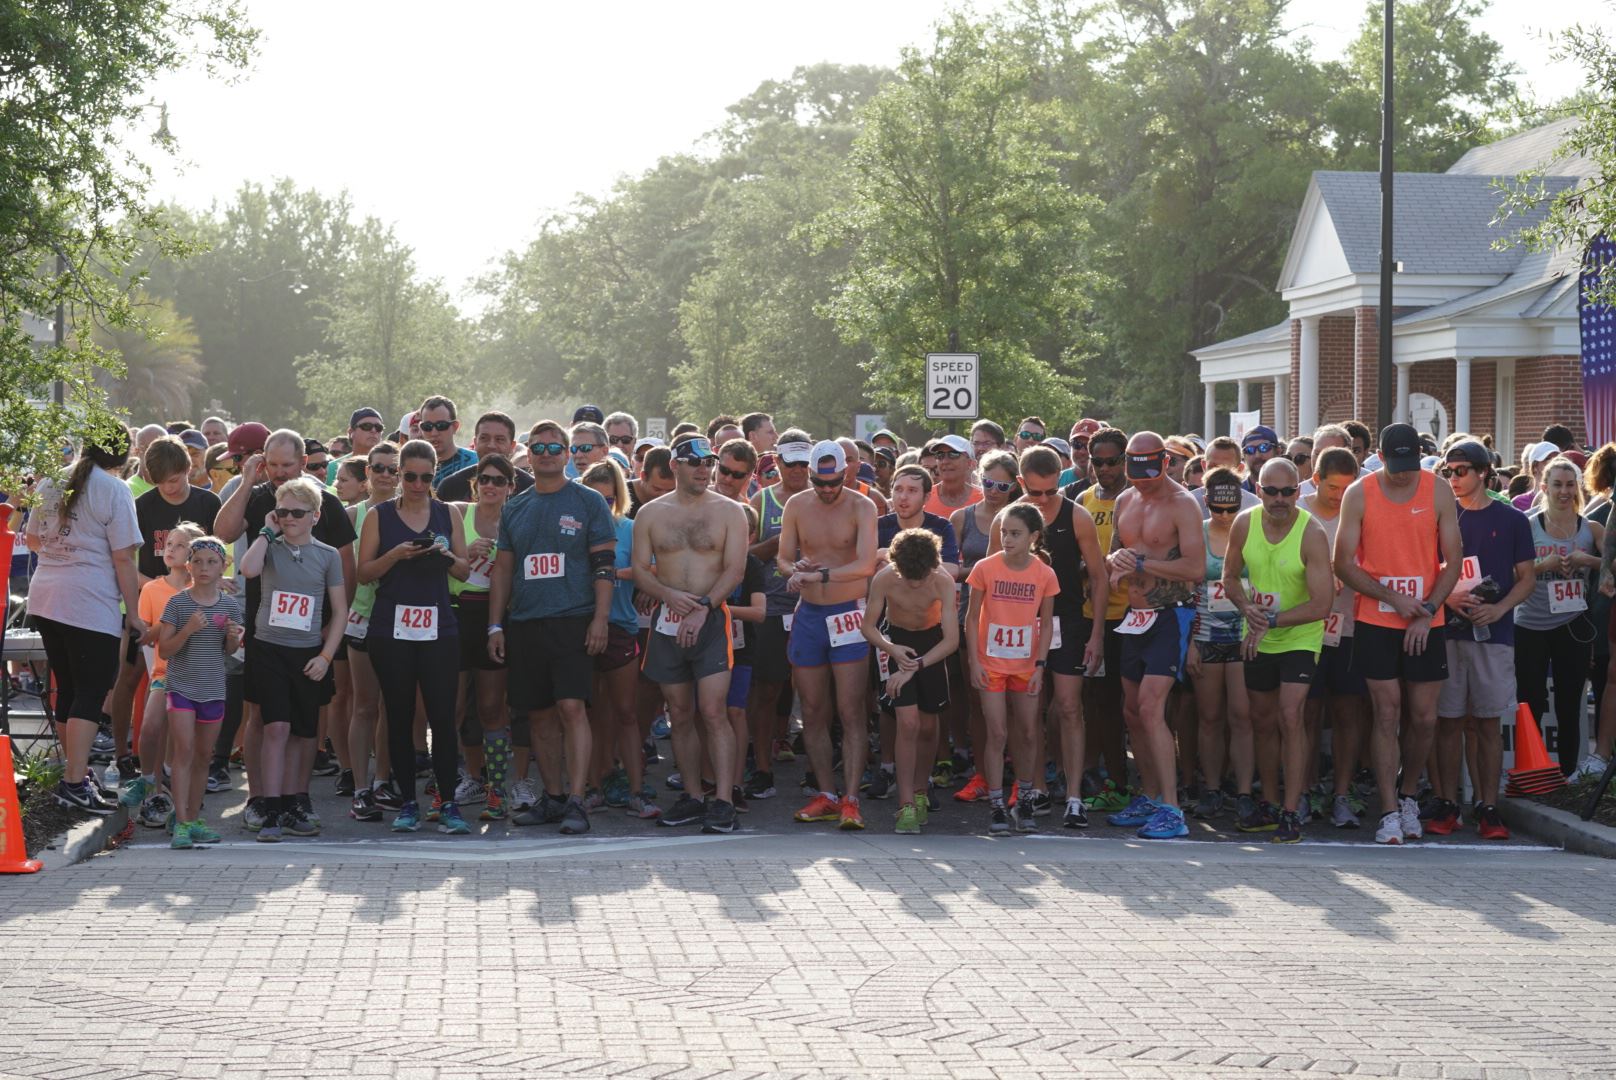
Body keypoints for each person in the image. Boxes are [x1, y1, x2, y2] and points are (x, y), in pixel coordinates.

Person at [215, 429, 357, 833]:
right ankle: (260, 798)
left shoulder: (323, 504)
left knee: (305, 720)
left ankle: (298, 798)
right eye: (272, 465)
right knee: (264, 716)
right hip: (265, 629)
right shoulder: (261, 498)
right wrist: (246, 482)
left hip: (313, 633)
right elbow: (223, 533)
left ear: (304, 462)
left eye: (287, 466)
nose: (279, 474)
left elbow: (344, 568)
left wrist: (332, 630)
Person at [1334, 423, 1463, 845]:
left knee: (1425, 717)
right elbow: (1343, 564)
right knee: (1386, 712)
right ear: (1382, 458)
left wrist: (1426, 611)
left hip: (1426, 617)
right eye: (1397, 465)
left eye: (1411, 465)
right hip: (1377, 618)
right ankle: (1388, 810)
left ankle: (1409, 796)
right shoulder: (1360, 493)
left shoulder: (1438, 489)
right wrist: (1391, 595)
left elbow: (1453, 560)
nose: (1405, 474)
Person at [487, 420, 618, 835]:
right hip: (525, 622)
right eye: (538, 449)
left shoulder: (589, 502)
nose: (546, 455)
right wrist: (495, 625)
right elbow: (503, 570)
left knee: (572, 707)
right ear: (528, 454)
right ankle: (554, 797)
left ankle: (578, 800)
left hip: (573, 620)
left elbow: (604, 566)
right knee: (539, 715)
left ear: (567, 453)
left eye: (554, 448)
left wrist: (600, 618)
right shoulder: (515, 506)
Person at [633, 434, 750, 834]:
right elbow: (640, 570)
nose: (705, 469)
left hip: (711, 619)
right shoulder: (650, 513)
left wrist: (702, 608)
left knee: (714, 711)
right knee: (679, 713)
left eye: (709, 462)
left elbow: (734, 570)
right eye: (696, 462)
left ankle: (723, 800)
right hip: (668, 621)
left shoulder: (730, 511)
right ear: (675, 466)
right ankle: (693, 795)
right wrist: (667, 595)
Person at [989, 446, 1109, 828]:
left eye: (1051, 492)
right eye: (1035, 493)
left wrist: (1097, 634)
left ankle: (1074, 796)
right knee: (1029, 713)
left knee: (1071, 708)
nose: (1043, 500)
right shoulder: (1007, 520)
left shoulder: (1078, 516)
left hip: (1069, 622)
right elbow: (991, 577)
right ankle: (1035, 789)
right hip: (1021, 627)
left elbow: (1099, 576)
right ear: (1021, 483)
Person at [28, 431, 144, 814]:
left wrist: (61, 548)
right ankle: (74, 782)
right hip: (89, 601)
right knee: (91, 692)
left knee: (72, 687)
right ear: (123, 454)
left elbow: (31, 538)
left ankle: (73, 777)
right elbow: (123, 557)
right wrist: (135, 612)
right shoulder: (114, 489)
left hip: (46, 595)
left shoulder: (50, 480)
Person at [1221, 458, 1333, 843]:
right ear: (1259, 488)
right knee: (1263, 720)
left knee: (1290, 715)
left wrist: (1270, 620)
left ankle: (1291, 810)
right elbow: (1230, 577)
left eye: (1288, 491)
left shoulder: (1312, 533)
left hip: (1299, 635)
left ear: (1299, 492)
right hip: (1258, 635)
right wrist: (1247, 608)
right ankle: (1269, 803)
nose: (1280, 499)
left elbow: (1322, 604)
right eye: (1271, 491)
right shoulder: (1244, 522)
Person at [1103, 432, 1206, 840]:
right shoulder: (1125, 500)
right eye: (1135, 471)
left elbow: (1196, 569)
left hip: (1171, 615)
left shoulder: (1183, 504)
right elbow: (1114, 557)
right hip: (1135, 615)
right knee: (1132, 710)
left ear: (1165, 462)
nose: (1142, 480)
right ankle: (1148, 795)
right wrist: (1117, 563)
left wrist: (1144, 563)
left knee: (1150, 708)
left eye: (1149, 471)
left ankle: (1172, 809)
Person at [1430, 441, 1535, 839]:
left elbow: (1527, 578)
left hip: (1494, 634)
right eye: (1448, 471)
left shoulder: (1512, 519)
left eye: (1461, 470)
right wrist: (1447, 597)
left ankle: (1489, 807)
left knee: (1488, 723)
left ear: (1483, 472)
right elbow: (1426, 568)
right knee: (1448, 722)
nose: (1453, 478)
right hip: (1447, 631)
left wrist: (1500, 608)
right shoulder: (1440, 516)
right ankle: (1447, 803)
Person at [238, 476, 349, 842]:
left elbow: (340, 611)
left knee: (304, 732)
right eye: (282, 512)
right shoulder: (270, 545)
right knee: (276, 727)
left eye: (297, 513)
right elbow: (248, 570)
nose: (288, 519)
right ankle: (270, 808)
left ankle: (295, 801)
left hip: (307, 654)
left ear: (314, 516)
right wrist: (265, 533)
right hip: (268, 648)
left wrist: (326, 656)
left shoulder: (328, 555)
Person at [780, 440, 879, 830]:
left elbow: (866, 563)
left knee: (851, 710)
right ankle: (826, 792)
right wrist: (795, 568)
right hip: (809, 614)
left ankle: (852, 797)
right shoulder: (797, 505)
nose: (826, 490)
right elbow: (783, 557)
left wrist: (819, 574)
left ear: (845, 473)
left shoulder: (862, 506)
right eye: (819, 483)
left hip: (847, 614)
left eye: (833, 482)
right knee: (813, 710)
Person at [966, 504, 1059, 833]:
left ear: (1034, 537)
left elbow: (1046, 624)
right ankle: (995, 804)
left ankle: (1024, 800)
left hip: (1026, 665)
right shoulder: (984, 568)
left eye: (1015, 533)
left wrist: (1040, 666)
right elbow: (971, 617)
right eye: (1004, 532)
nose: (1007, 538)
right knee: (998, 732)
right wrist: (974, 661)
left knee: (1030, 732)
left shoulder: (1044, 573)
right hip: (991, 664)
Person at [864, 528, 959, 833]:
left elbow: (951, 641)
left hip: (930, 649)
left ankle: (920, 790)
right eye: (909, 578)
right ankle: (905, 804)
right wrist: (892, 650)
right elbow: (869, 627)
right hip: (897, 642)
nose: (916, 584)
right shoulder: (884, 578)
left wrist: (916, 665)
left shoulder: (943, 580)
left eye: (921, 578)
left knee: (929, 726)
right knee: (908, 724)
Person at [1514, 456, 1603, 776]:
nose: (1564, 491)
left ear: (1577, 488)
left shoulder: (1590, 528)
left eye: (1569, 485)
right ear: (1544, 487)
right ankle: (1530, 770)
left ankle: (1568, 773)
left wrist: (1588, 560)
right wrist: (1543, 566)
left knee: (1570, 701)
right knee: (1531, 700)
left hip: (1573, 625)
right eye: (1557, 485)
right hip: (1530, 624)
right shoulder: (1526, 524)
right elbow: (1510, 575)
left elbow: (1612, 565)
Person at [1298, 447, 1371, 829]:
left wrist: (1352, 575)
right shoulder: (1297, 509)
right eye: (1331, 487)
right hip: (1305, 629)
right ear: (1315, 480)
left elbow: (1377, 563)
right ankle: (1305, 790)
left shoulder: (1361, 508)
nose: (1339, 495)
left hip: (1350, 626)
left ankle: (1341, 794)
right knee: (1306, 713)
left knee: (1347, 712)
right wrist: (1321, 575)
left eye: (1347, 487)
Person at [156, 536, 244, 848]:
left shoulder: (229, 605)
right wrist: (188, 629)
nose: (204, 567)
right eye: (198, 561)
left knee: (204, 756)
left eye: (212, 562)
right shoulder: (178, 603)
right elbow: (164, 650)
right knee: (184, 751)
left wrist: (232, 638)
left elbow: (229, 650)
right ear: (188, 565)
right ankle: (181, 822)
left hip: (213, 688)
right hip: (181, 687)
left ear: (224, 566)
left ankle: (192, 818)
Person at [743, 432, 815, 800]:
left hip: (817, 607)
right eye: (791, 463)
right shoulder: (763, 499)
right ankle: (761, 766)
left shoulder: (826, 498)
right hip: (772, 608)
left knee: (816, 694)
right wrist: (772, 547)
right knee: (767, 688)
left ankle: (818, 773)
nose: (799, 470)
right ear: (778, 464)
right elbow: (745, 555)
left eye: (805, 463)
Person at [122, 522, 206, 830]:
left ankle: (174, 792)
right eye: (169, 543)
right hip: (163, 673)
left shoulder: (202, 590)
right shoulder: (152, 590)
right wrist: (158, 670)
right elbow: (145, 639)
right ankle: (150, 784)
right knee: (151, 727)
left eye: (180, 545)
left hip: (195, 676)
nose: (170, 549)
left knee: (184, 740)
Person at [448, 451, 517, 820]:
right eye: (484, 480)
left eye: (499, 480)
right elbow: (438, 553)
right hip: (459, 613)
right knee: (456, 707)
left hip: (497, 617)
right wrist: (462, 554)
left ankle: (497, 788)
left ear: (510, 487)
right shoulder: (458, 512)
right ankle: (471, 777)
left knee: (492, 708)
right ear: (476, 484)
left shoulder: (516, 518)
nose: (490, 486)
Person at [950, 450, 1019, 802]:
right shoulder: (962, 518)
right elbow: (949, 568)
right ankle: (981, 773)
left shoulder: (1022, 517)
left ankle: (1021, 775)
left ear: (1014, 485)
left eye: (1001, 484)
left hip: (1013, 619)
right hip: (974, 615)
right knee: (978, 700)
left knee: (1017, 704)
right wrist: (970, 574)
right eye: (988, 482)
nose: (993, 490)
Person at [1186, 468, 1250, 821]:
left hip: (1243, 637)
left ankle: (1242, 791)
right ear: (1206, 501)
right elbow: (1187, 590)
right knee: (1209, 717)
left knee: (1242, 716)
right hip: (1206, 635)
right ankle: (1210, 788)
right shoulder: (1198, 533)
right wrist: (1191, 643)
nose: (1224, 515)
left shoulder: (1251, 530)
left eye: (1231, 508)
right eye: (1217, 508)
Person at [1072, 427, 1132, 804]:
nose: (1104, 469)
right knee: (1089, 697)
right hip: (1087, 611)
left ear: (1125, 461)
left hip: (1126, 613)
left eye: (1112, 461)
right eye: (1098, 462)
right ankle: (1090, 771)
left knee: (1118, 701)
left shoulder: (1135, 499)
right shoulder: (1083, 499)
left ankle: (1119, 777)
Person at [342, 442, 399, 820]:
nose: (385, 475)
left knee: (392, 707)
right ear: (367, 473)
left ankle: (383, 780)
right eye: (378, 467)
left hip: (402, 620)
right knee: (364, 705)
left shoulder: (416, 511)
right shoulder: (351, 515)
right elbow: (344, 575)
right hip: (362, 616)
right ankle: (361, 788)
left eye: (393, 469)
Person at [435, 411, 535, 502]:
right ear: (475, 443)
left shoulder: (530, 488)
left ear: (512, 446)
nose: (491, 445)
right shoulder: (451, 486)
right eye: (484, 438)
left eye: (499, 440)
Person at [414, 395, 478, 485]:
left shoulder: (474, 462)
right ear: (421, 428)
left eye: (441, 426)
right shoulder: (412, 466)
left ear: (455, 427)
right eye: (427, 426)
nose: (434, 433)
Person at [922, 435, 982, 517]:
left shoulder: (983, 499)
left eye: (953, 454)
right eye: (940, 455)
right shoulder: (924, 497)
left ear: (970, 463)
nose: (945, 461)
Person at [325, 407, 387, 485]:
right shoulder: (332, 468)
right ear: (351, 432)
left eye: (378, 427)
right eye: (366, 426)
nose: (373, 430)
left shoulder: (390, 467)